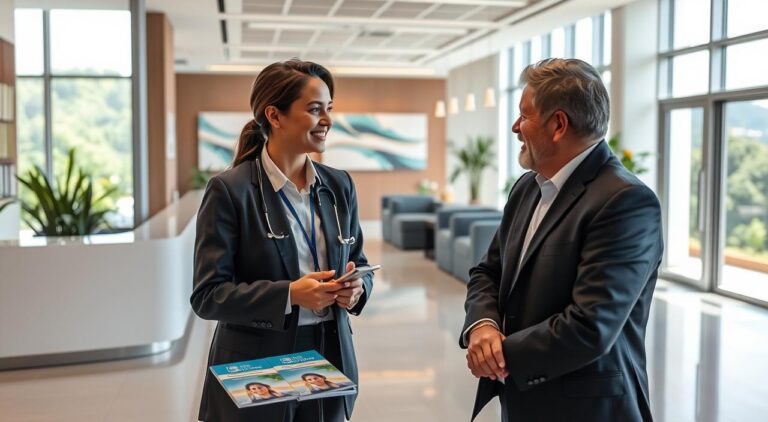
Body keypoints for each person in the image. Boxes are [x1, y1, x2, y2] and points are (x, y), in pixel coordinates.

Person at [460, 58, 663, 422]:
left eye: (524, 116)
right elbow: (488, 271)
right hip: (524, 401)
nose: (514, 127)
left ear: (558, 125)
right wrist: (482, 326)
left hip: (587, 409)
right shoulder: (526, 187)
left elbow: (590, 325)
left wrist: (497, 354)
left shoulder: (626, 201)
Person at [192, 59, 374, 422]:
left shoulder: (339, 186)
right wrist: (289, 294)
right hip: (258, 361)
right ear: (274, 115)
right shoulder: (230, 191)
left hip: (329, 351)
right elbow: (208, 296)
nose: (327, 120)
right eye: (314, 109)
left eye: (329, 109)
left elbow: (359, 261)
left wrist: (357, 289)